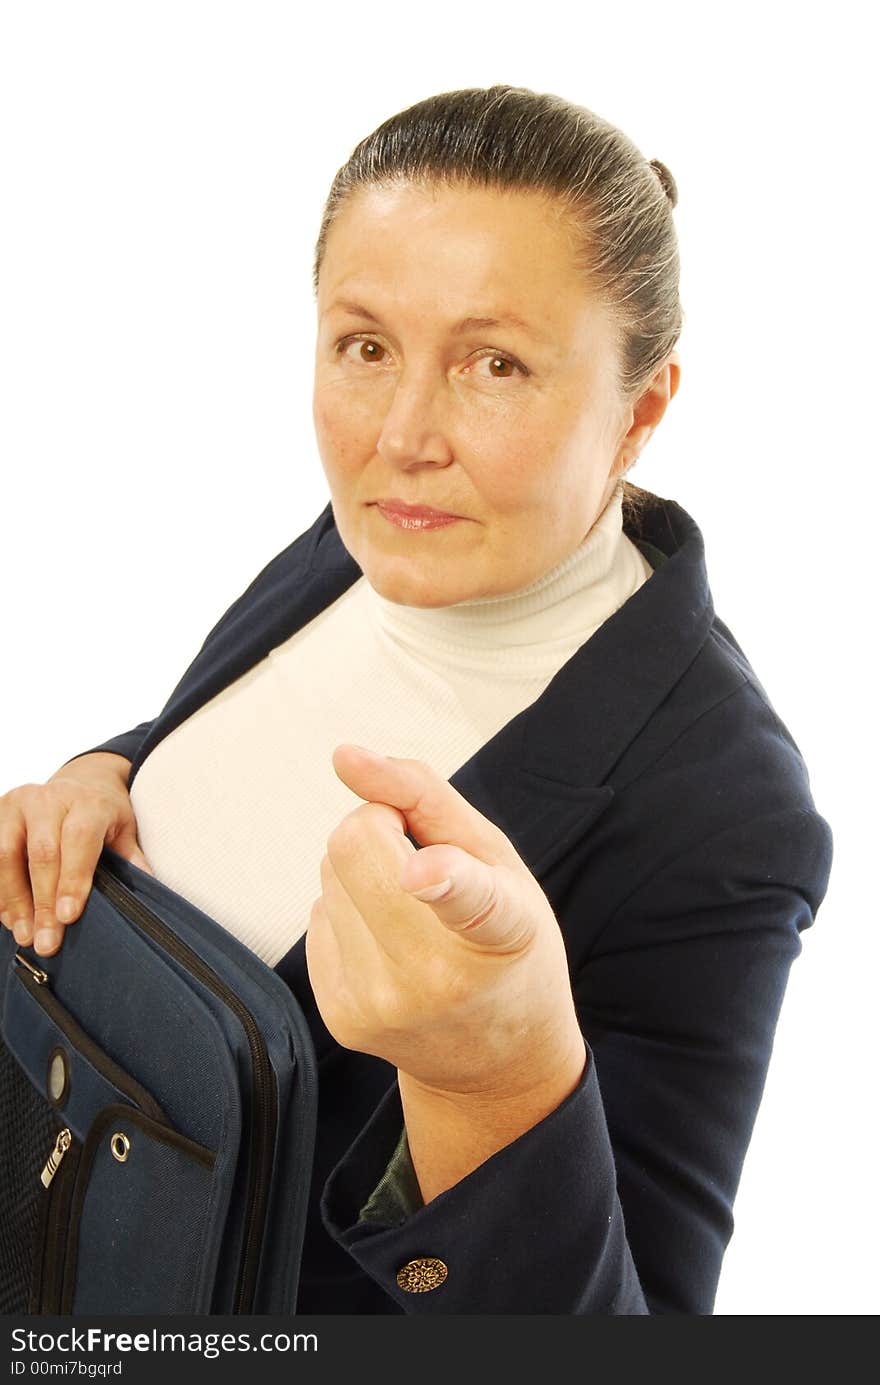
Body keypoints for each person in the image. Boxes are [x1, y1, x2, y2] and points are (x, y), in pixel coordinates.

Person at [0, 84, 833, 1315]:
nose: (401, 433)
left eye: (495, 364)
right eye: (366, 345)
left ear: (640, 409)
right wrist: (106, 773)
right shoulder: (384, 534)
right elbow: (248, 741)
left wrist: (494, 1081)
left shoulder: (722, 812)